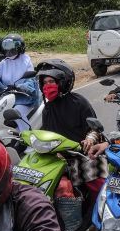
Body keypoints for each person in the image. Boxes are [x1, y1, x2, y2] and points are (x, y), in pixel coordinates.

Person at [36, 59, 107, 197]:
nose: (47, 86)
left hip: (83, 155)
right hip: (58, 158)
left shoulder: (79, 103)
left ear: (62, 82)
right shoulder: (47, 108)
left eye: (51, 82)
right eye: (44, 83)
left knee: (99, 189)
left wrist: (89, 140)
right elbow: (46, 133)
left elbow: (95, 130)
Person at [0, 33, 40, 132]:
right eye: (6, 47)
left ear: (20, 47)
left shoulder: (26, 60)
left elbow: (30, 81)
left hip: (24, 97)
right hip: (7, 96)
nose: (8, 51)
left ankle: (28, 138)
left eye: (11, 47)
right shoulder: (4, 62)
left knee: (16, 113)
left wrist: (21, 86)